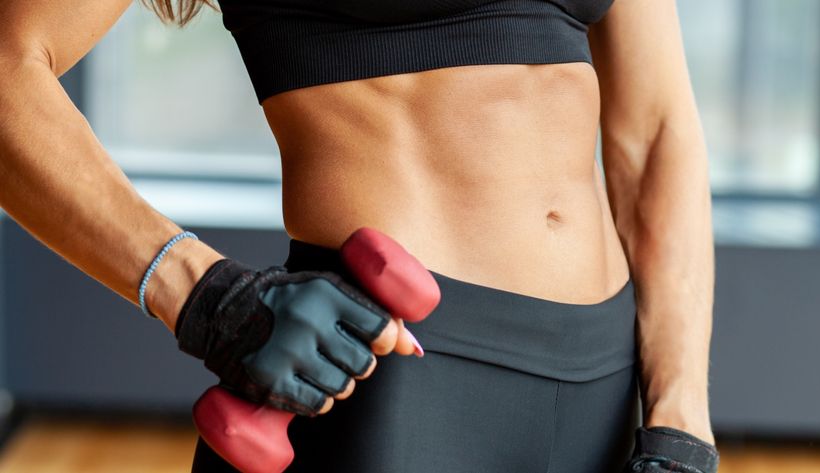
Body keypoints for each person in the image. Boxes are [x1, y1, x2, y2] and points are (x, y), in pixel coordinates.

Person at [0, 0, 720, 471]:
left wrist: (682, 415)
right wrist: (203, 294)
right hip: (396, 375)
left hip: (608, 379)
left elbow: (657, 133)